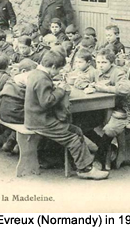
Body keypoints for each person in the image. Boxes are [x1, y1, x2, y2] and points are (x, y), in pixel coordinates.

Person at [24, 50, 109, 180]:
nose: (58, 73)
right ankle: (85, 169)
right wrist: (60, 89)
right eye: (58, 70)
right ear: (53, 67)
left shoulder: (35, 73)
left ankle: (77, 162)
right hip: (42, 122)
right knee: (73, 136)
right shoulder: (42, 79)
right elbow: (47, 101)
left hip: (35, 118)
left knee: (76, 130)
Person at [91, 48, 130, 168]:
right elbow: (80, 80)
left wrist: (103, 88)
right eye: (98, 62)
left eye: (104, 62)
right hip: (101, 109)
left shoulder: (118, 72)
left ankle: (99, 158)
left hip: (121, 109)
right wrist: (88, 85)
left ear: (111, 63)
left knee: (109, 129)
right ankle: (107, 149)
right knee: (83, 121)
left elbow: (125, 89)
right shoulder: (96, 72)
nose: (100, 65)